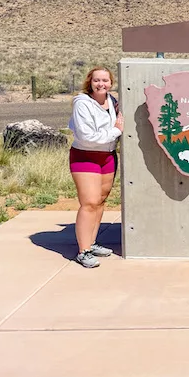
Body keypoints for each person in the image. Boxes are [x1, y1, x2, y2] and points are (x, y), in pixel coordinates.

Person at [68, 66, 123, 268]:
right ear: (89, 82)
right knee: (89, 202)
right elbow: (87, 137)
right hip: (85, 156)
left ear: (111, 83)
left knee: (100, 201)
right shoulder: (82, 104)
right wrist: (116, 132)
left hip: (107, 156)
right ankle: (83, 251)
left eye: (105, 81)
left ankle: (91, 243)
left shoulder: (112, 101)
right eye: (97, 80)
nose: (101, 84)